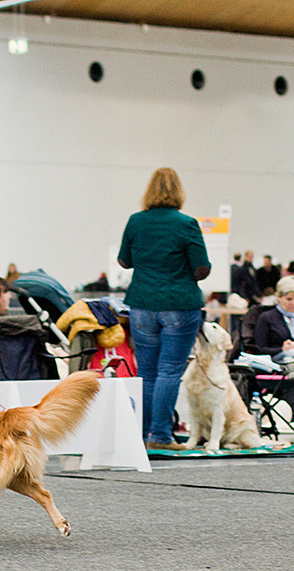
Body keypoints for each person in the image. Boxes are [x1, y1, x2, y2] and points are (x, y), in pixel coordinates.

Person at [117, 167, 211, 451]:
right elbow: (202, 268)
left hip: (142, 304)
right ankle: (160, 435)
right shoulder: (187, 224)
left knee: (146, 372)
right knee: (169, 371)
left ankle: (143, 434)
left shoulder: (136, 221)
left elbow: (124, 261)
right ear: (179, 192)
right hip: (179, 305)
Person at [255, 276, 294, 363]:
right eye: (288, 299)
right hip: (280, 361)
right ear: (279, 297)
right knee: (291, 354)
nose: (293, 303)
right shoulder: (266, 318)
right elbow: (260, 349)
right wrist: (282, 349)